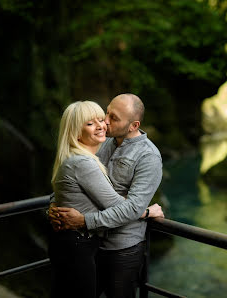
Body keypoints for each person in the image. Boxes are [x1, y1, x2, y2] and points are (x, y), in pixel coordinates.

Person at [49, 93, 163, 298]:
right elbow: (74, 182)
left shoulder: (149, 157)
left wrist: (84, 221)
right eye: (106, 113)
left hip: (122, 248)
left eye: (114, 118)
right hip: (92, 244)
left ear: (133, 126)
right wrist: (54, 206)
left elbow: (131, 208)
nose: (105, 122)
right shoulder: (101, 142)